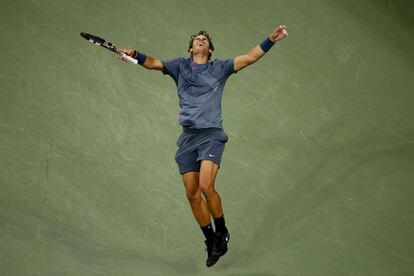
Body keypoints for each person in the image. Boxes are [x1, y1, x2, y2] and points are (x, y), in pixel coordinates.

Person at [118, 25, 288, 267]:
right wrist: (135, 55)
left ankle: (222, 231)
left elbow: (250, 57)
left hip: (211, 135)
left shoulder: (219, 68)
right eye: (197, 39)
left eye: (204, 40)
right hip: (187, 139)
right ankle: (210, 240)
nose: (200, 40)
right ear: (190, 48)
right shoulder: (179, 66)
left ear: (210, 49)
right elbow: (153, 63)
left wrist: (270, 40)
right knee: (191, 194)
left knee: (207, 185)